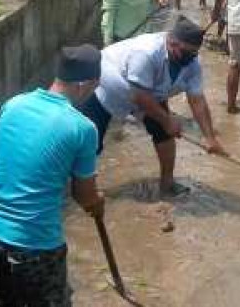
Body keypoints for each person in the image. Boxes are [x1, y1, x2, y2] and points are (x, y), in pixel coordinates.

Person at [0, 45, 104, 307]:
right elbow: (83, 195)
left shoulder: (12, 105)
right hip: (35, 246)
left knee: (8, 301)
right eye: (95, 87)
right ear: (85, 84)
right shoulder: (82, 128)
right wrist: (97, 202)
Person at [79, 17, 226, 197]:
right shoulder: (146, 53)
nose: (190, 59)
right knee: (89, 140)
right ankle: (82, 189)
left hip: (150, 91)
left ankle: (167, 183)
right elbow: (139, 96)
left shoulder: (192, 63)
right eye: (186, 53)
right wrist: (167, 120)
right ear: (171, 42)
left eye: (193, 54)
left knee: (164, 133)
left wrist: (210, 137)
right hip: (107, 84)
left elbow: (197, 100)